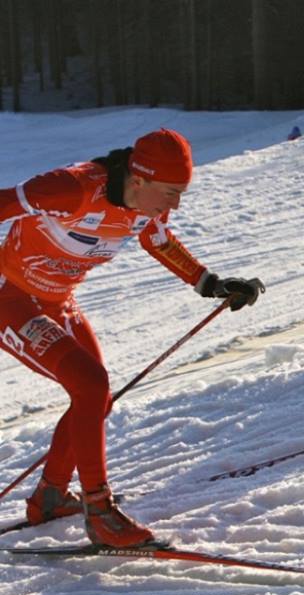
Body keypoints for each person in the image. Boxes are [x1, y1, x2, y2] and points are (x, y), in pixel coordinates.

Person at [0, 128, 265, 548]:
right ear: (138, 180)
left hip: (58, 301)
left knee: (96, 398)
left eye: (181, 193)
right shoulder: (70, 188)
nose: (175, 204)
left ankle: (49, 496)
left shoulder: (146, 202)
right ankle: (99, 511)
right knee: (91, 385)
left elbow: (156, 238)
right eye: (170, 192)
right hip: (10, 297)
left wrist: (210, 283)